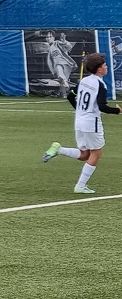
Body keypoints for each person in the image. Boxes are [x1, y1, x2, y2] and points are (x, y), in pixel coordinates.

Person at [43, 52, 120, 194]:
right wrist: (117, 111)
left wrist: (80, 110)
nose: (107, 67)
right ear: (99, 69)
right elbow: (102, 107)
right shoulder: (100, 84)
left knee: (85, 154)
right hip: (91, 123)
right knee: (96, 153)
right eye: (104, 65)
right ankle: (80, 186)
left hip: (79, 121)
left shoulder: (84, 81)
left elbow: (70, 95)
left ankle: (58, 150)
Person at [45, 31, 76, 98]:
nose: (48, 38)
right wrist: (53, 71)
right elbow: (49, 61)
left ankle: (66, 88)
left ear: (54, 37)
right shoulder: (49, 48)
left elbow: (69, 46)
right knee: (61, 78)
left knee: (63, 79)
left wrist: (64, 40)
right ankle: (64, 94)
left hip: (66, 63)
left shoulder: (57, 43)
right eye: (47, 37)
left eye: (50, 37)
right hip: (58, 64)